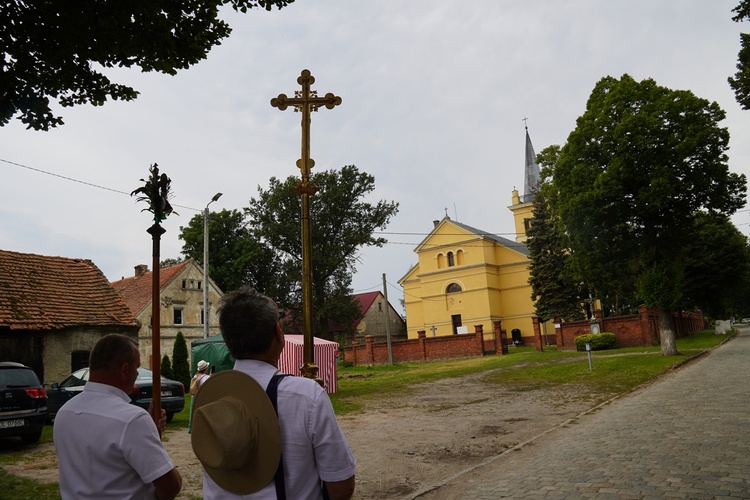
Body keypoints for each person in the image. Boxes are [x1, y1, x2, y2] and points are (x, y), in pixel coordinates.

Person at [193, 286, 356, 499]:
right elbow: (341, 484)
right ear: (279, 334)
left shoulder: (210, 398)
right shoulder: (306, 396)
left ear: (228, 342)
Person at [54, 334, 182, 499]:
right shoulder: (132, 420)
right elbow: (171, 486)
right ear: (125, 370)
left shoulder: (64, 412)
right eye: (136, 368)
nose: (136, 374)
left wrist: (151, 432)